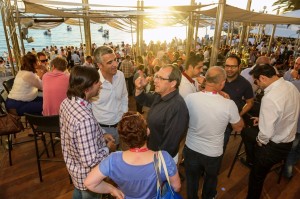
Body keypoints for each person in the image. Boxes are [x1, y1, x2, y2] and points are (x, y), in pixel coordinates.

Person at [84, 111, 181, 199]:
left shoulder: (113, 160)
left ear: (123, 137)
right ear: (147, 131)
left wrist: (113, 190)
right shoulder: (163, 158)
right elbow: (176, 187)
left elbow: (89, 183)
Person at [184, 66, 244, 199]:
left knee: (191, 179)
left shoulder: (190, 98)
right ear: (222, 83)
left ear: (206, 79)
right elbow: (239, 127)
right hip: (212, 152)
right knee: (210, 179)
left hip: (191, 147)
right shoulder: (228, 104)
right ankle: (208, 196)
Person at [60, 66, 116, 199]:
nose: (100, 84)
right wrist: (108, 149)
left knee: (78, 193)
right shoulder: (85, 120)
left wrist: (101, 133)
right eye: (97, 81)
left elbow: (78, 133)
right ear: (87, 88)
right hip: (88, 176)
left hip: (74, 167)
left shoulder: (67, 102)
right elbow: (91, 161)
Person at [245, 64, 300, 199]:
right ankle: (252, 160)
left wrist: (259, 142)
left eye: (256, 82)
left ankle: (252, 161)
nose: (257, 85)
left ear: (263, 78)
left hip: (273, 148)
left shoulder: (270, 97)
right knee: (248, 132)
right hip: (289, 142)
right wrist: (263, 119)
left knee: (256, 178)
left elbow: (265, 135)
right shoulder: (291, 86)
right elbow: (286, 113)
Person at [135, 64, 189, 163]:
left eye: (160, 78)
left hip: (161, 159)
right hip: (152, 151)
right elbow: (144, 99)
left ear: (172, 83)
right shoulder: (160, 95)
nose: (155, 80)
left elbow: (170, 145)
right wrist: (139, 88)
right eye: (156, 76)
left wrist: (155, 161)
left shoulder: (177, 107)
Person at [92, 46, 128, 146]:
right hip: (102, 129)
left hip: (120, 126)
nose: (115, 64)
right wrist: (100, 132)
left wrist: (124, 115)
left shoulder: (120, 75)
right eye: (109, 62)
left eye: (115, 60)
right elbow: (87, 109)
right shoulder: (92, 82)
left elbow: (124, 96)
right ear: (99, 65)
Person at [222, 54, 254, 151]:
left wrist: (239, 115)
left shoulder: (245, 83)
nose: (229, 69)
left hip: (227, 122)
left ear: (239, 67)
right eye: (227, 66)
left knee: (221, 145)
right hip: (211, 116)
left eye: (233, 66)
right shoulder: (219, 78)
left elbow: (250, 102)